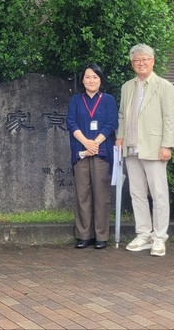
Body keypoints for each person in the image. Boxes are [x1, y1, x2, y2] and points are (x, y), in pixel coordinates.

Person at [116, 45, 174, 256]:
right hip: (131, 147)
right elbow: (122, 115)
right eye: (137, 60)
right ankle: (143, 234)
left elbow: (170, 118)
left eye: (145, 59)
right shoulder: (127, 86)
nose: (141, 63)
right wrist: (120, 136)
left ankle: (159, 237)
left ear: (153, 61)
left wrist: (167, 145)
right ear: (132, 63)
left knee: (159, 194)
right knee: (137, 193)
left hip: (154, 147)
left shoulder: (164, 86)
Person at [66, 63, 118, 250]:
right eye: (87, 77)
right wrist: (86, 143)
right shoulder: (75, 100)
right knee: (82, 195)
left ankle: (101, 236)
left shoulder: (108, 100)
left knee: (101, 196)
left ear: (100, 80)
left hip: (101, 153)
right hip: (81, 153)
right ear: (82, 80)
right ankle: (84, 235)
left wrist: (95, 143)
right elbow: (71, 123)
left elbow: (111, 123)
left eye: (95, 77)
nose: (91, 80)